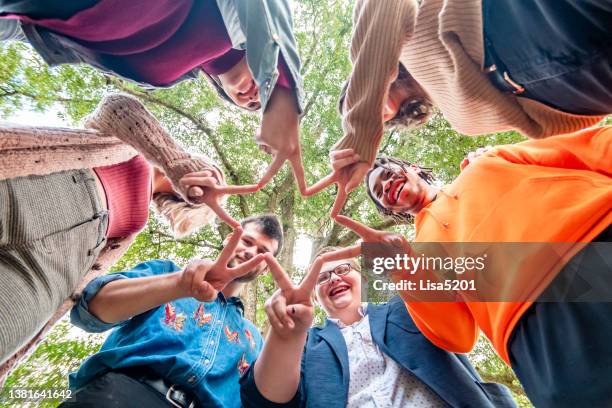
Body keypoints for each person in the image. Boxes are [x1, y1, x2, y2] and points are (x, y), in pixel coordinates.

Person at [336, 125, 612, 407]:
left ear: (413, 168)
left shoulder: (485, 163)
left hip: (596, 244)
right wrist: (402, 270)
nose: (384, 187)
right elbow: (458, 336)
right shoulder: (418, 259)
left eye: (385, 175)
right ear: (390, 211)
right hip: (534, 333)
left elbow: (589, 146)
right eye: (379, 193)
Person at [0, 93, 253, 381]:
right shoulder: (127, 148)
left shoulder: (136, 223)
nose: (208, 182)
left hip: (59, 265)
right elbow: (117, 106)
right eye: (210, 175)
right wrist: (177, 163)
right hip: (39, 191)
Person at [313, 0, 612, 214]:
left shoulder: (387, 32)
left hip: (516, 25)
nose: (364, 106)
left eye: (355, 99)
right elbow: (532, 122)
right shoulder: (456, 116)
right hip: (577, 93)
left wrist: (359, 127)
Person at [0, 0, 309, 192]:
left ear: (223, 92)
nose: (255, 99)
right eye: (261, 99)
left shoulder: (166, 78)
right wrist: (281, 97)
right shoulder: (236, 21)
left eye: (251, 106)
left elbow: (66, 42)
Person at [240, 247, 516, 408]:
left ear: (364, 279)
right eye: (322, 277)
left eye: (343, 269)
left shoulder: (407, 305)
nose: (334, 278)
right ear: (314, 295)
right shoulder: (306, 343)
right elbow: (266, 399)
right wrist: (287, 335)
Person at [59, 214, 283, 408]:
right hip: (119, 394)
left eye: (263, 252)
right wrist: (178, 285)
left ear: (265, 269)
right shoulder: (165, 273)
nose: (251, 252)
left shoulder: (255, 340)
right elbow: (92, 309)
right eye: (247, 241)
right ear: (228, 239)